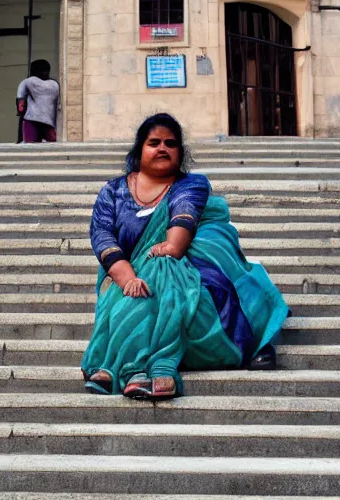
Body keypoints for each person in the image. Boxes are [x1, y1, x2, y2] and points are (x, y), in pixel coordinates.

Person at [81, 113, 289, 399]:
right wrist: (128, 277)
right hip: (121, 277)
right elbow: (102, 236)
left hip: (189, 276)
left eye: (170, 143)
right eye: (154, 142)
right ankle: (148, 369)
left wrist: (169, 250)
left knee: (162, 266)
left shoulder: (191, 184)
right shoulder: (113, 191)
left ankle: (134, 367)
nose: (162, 148)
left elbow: (182, 219)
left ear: (180, 152)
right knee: (144, 281)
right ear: (139, 149)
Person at [16, 59, 60, 143]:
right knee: (51, 147)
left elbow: (20, 106)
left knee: (30, 147)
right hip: (49, 122)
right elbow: (58, 105)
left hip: (31, 121)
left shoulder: (27, 82)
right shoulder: (55, 85)